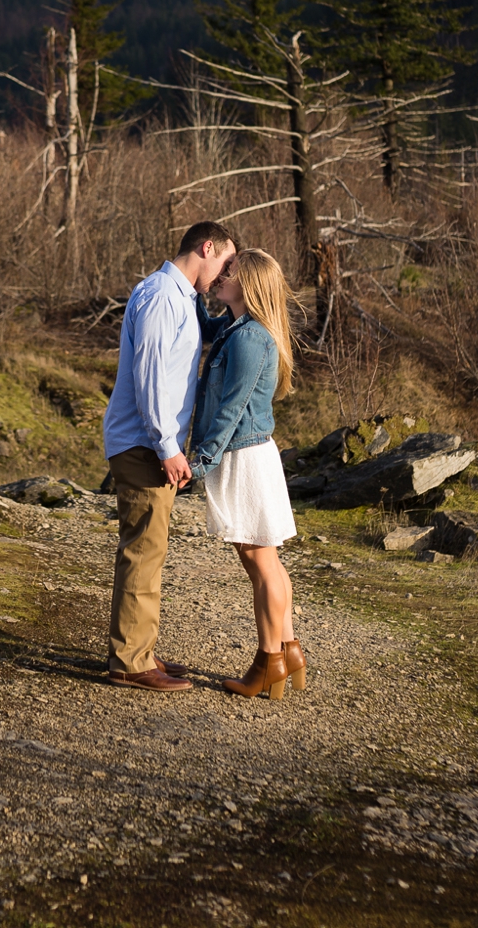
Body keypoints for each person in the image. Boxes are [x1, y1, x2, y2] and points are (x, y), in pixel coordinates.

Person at [101, 221, 237, 691]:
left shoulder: (184, 299)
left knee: (149, 549)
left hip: (149, 444)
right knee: (143, 550)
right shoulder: (161, 295)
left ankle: (140, 650)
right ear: (206, 247)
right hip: (144, 444)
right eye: (224, 263)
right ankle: (131, 664)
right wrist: (167, 446)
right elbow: (150, 378)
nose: (223, 276)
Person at [186, 247, 305, 700]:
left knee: (261, 563)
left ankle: (268, 661)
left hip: (245, 456)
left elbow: (232, 409)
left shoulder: (253, 338)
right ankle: (288, 649)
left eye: (228, 273)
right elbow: (205, 326)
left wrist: (204, 460)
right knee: (263, 561)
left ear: (248, 283)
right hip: (245, 454)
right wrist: (199, 286)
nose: (221, 277)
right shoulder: (235, 328)